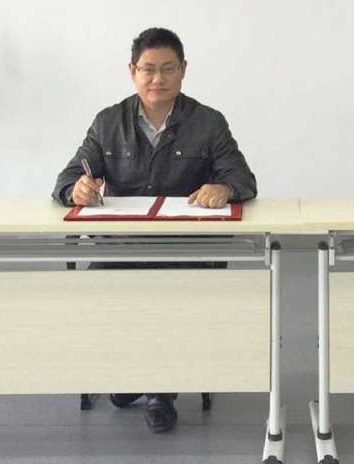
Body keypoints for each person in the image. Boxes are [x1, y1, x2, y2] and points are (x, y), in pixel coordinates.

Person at [53, 27, 257, 433]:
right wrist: (76, 188)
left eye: (168, 69)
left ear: (183, 70)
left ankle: (159, 391)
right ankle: (138, 376)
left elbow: (243, 179)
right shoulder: (109, 121)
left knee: (171, 294)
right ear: (132, 71)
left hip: (185, 247)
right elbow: (67, 178)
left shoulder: (208, 122)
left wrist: (224, 188)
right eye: (148, 69)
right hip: (120, 247)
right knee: (105, 293)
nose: (157, 79)